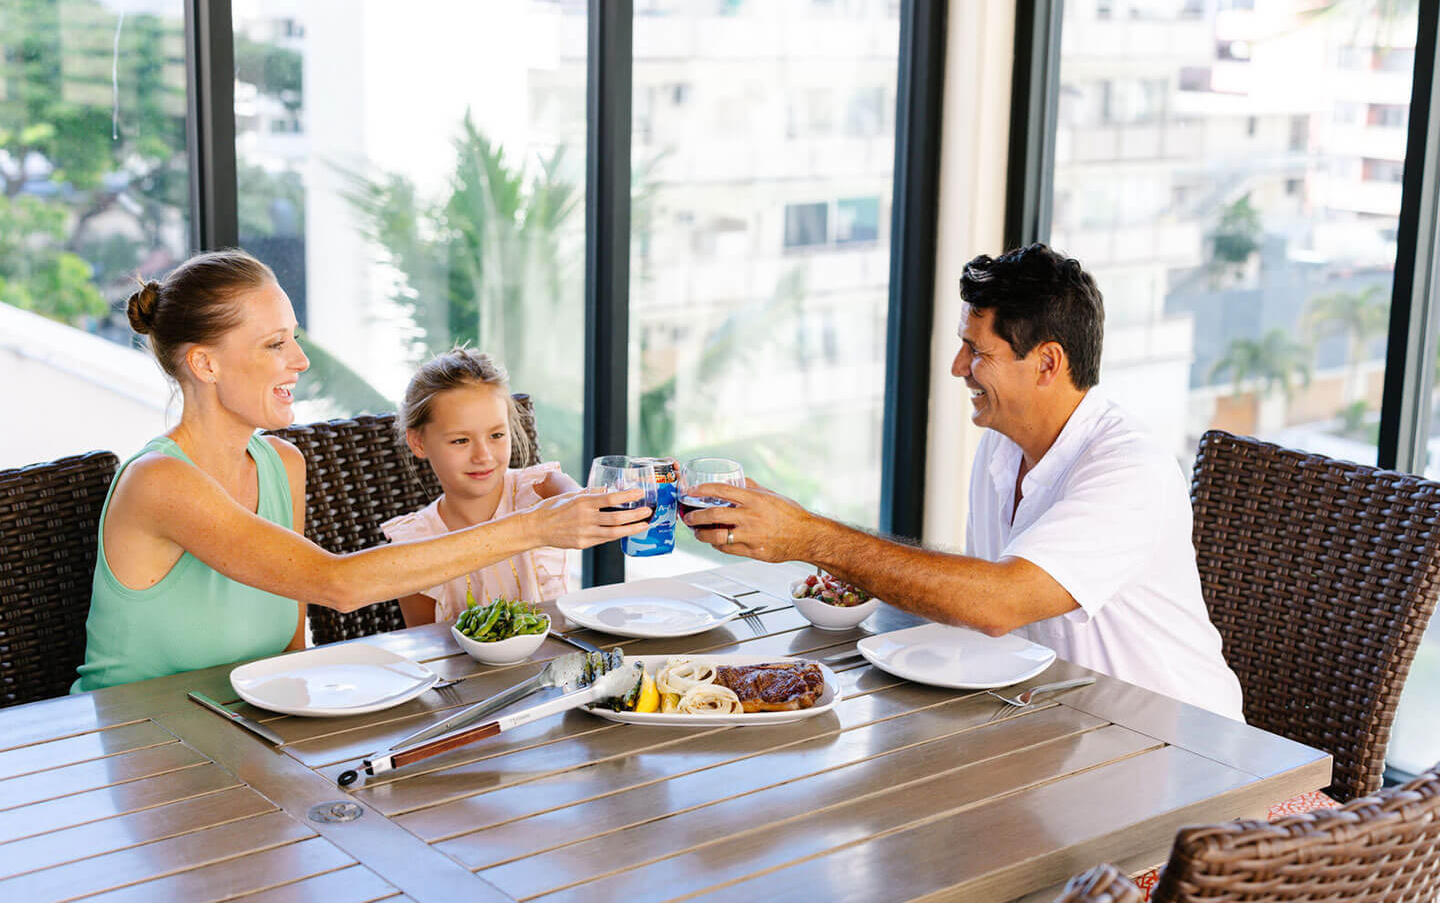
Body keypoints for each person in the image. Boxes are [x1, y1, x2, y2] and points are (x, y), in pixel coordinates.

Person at [683, 243, 1245, 721]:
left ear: (1048, 363)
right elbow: (981, 601)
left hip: (1182, 760)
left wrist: (809, 538)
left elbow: (997, 605)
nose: (957, 367)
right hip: (1062, 728)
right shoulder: (1003, 445)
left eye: (978, 350)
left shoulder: (1128, 470)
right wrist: (806, 535)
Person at [73, 250, 648, 693]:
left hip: (242, 729)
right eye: (276, 344)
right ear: (205, 363)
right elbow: (336, 584)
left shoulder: (282, 465)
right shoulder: (159, 481)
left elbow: (293, 649)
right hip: (136, 746)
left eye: (293, 338)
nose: (299, 360)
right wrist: (536, 527)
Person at [382, 348, 578, 626]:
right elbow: (424, 645)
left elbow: (578, 500)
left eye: (497, 435)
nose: (483, 455)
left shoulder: (540, 490)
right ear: (418, 443)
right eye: (461, 440)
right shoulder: (415, 540)